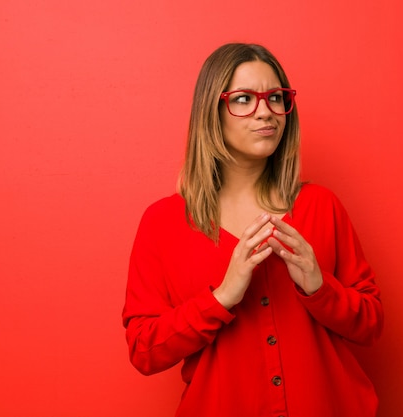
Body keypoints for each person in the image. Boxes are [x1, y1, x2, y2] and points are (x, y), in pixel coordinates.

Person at [122, 43, 383, 417]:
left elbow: (371, 325)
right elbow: (144, 351)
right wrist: (223, 296)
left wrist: (318, 285)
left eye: (276, 97)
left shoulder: (320, 206)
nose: (267, 113)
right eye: (244, 99)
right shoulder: (163, 222)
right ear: (212, 111)